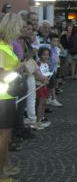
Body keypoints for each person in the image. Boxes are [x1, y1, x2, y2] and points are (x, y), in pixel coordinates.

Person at [0, 13, 24, 182]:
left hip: (7, 95)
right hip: (3, 97)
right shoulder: (2, 48)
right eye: (19, 27)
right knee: (3, 138)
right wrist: (19, 68)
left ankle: (5, 165)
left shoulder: (6, 46)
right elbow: (2, 74)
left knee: (5, 137)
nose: (21, 30)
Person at [35, 47, 52, 129]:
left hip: (45, 85)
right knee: (40, 103)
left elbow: (46, 73)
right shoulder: (38, 63)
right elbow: (35, 75)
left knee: (44, 102)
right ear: (40, 55)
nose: (46, 56)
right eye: (44, 55)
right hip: (39, 85)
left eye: (47, 54)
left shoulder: (46, 63)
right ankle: (38, 121)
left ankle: (42, 118)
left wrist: (48, 77)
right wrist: (42, 79)